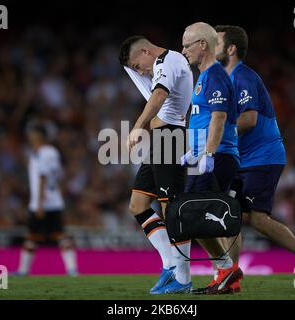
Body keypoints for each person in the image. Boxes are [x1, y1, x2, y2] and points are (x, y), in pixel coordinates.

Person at [207, 25, 295, 292]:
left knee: (257, 218)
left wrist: (217, 139)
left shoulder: (243, 76)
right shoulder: (223, 79)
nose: (212, 47)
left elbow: (249, 119)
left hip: (263, 157)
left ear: (231, 49)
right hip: (242, 158)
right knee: (231, 216)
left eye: (217, 42)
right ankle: (230, 279)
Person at [119, 36, 194, 294]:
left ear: (145, 50)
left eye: (138, 65)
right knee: (138, 205)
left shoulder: (168, 60)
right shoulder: (164, 62)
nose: (141, 71)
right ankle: (170, 264)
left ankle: (183, 279)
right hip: (163, 141)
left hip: (171, 138)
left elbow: (160, 93)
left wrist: (138, 126)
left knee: (170, 209)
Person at [179, 22, 243, 294]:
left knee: (194, 216)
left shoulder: (215, 74)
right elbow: (204, 118)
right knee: (195, 217)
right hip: (203, 156)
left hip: (216, 157)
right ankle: (227, 272)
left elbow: (219, 117)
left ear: (202, 45)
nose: (183, 51)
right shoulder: (204, 77)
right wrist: (193, 151)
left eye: (186, 45)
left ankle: (226, 269)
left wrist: (207, 153)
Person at [15, 123, 78, 276]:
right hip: (50, 200)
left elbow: (43, 176)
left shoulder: (43, 153)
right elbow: (59, 175)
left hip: (44, 202)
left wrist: (40, 203)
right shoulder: (46, 152)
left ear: (38, 136)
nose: (29, 137)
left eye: (32, 134)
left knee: (45, 237)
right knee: (45, 237)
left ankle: (24, 271)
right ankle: (71, 269)